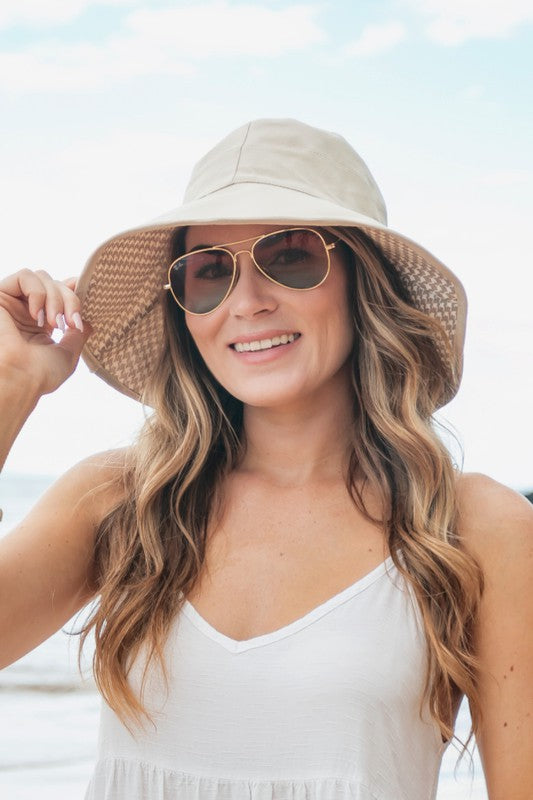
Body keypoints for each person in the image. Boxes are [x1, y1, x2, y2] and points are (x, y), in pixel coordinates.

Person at [0, 118, 531, 800]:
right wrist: (12, 385)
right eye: (209, 271)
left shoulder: (473, 528)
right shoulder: (120, 500)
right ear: (183, 309)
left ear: (360, 281)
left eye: (290, 256)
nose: (246, 302)